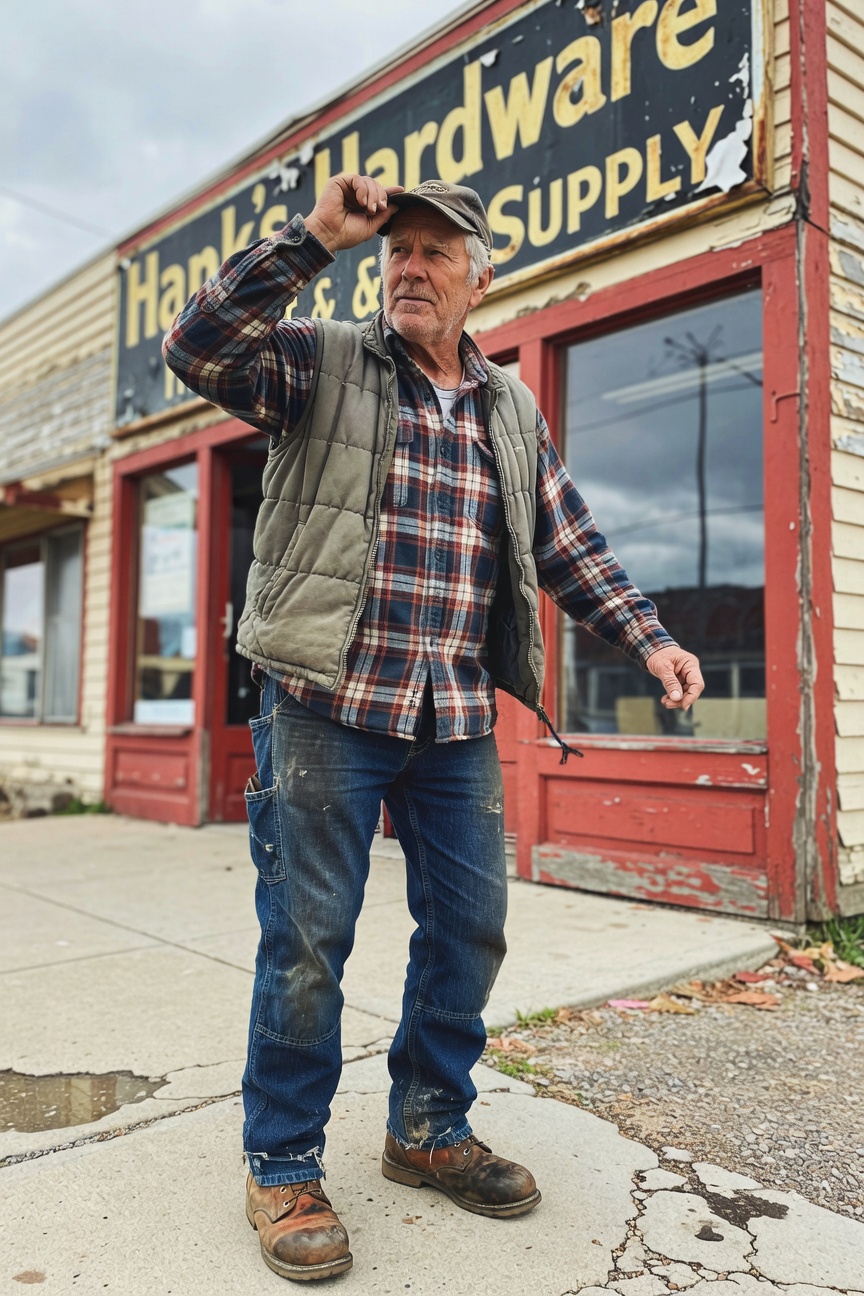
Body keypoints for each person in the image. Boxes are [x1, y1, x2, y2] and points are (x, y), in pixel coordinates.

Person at [163, 173, 704, 1282]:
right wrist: (316, 235)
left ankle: (426, 1128)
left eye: (436, 254)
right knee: (309, 940)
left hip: (453, 714)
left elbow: (566, 541)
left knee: (470, 930)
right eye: (396, 251)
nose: (411, 268)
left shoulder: (510, 407)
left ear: (479, 278)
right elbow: (200, 346)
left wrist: (647, 636)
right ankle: (283, 1162)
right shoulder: (319, 359)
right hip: (323, 702)